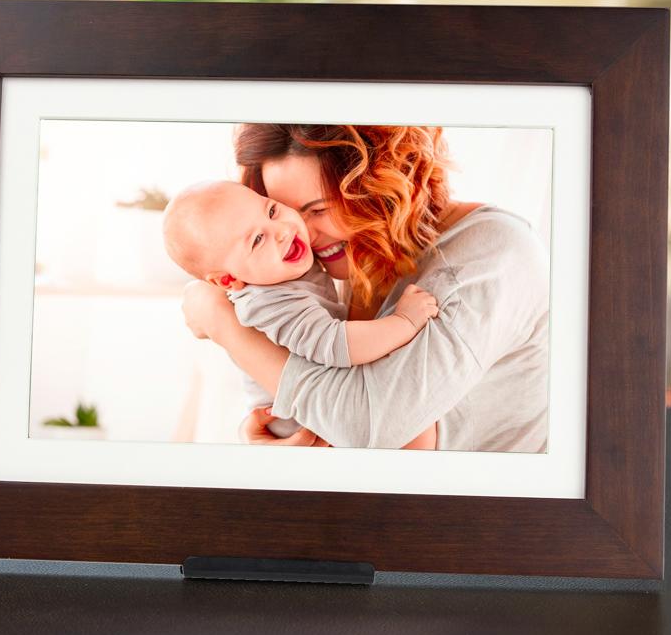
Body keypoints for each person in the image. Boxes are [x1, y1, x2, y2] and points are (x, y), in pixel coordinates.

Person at [182, 125, 549, 453]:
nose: (301, 233)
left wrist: (223, 323)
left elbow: (367, 427)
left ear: (381, 184)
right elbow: (328, 406)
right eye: (282, 208)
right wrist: (276, 435)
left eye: (318, 210)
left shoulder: (491, 254)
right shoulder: (349, 258)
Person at [162, 179, 439, 449]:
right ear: (227, 280)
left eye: (272, 211)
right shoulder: (267, 303)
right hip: (300, 430)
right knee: (410, 420)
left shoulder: (281, 269)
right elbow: (336, 344)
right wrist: (404, 321)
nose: (282, 231)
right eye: (257, 240)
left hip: (317, 410)